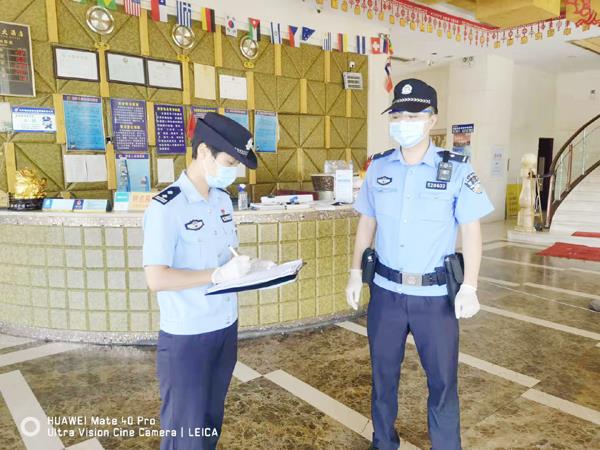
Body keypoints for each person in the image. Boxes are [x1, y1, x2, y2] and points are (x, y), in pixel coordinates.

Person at [345, 79, 494, 450]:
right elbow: (366, 223)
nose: (404, 122)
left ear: (432, 119)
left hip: (435, 298)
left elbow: (471, 231)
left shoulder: (456, 169)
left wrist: (471, 285)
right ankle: (383, 442)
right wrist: (354, 272)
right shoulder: (378, 167)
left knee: (443, 382)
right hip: (386, 295)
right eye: (397, 115)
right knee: (382, 379)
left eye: (413, 115)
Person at [143, 112, 271, 450]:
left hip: (225, 328)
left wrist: (255, 269)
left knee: (210, 423)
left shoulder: (222, 200)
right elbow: (156, 278)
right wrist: (214, 275)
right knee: (185, 432)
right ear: (203, 152)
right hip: (188, 336)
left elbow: (226, 258)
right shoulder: (166, 207)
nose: (234, 171)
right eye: (230, 162)